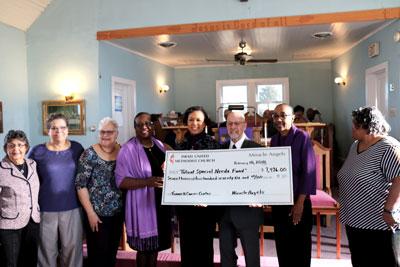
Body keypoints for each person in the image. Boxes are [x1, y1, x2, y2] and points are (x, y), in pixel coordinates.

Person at [337, 106, 400, 267]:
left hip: (378, 224)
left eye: (356, 125)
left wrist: (389, 210)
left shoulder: (388, 147)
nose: (352, 127)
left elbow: (399, 180)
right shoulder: (355, 145)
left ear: (370, 128)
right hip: (354, 221)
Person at [115, 112, 172, 267]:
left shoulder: (160, 146)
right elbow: (121, 181)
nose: (144, 127)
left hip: (160, 205)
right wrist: (147, 182)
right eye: (139, 124)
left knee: (154, 248)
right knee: (144, 249)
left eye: (147, 123)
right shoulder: (127, 150)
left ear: (153, 126)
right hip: (142, 206)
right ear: (135, 128)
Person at [28, 113, 84, 267]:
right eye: (54, 128)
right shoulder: (36, 151)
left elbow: (85, 175)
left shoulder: (77, 148)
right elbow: (26, 177)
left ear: (68, 130)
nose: (59, 131)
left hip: (72, 206)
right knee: (46, 251)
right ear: (48, 131)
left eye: (62, 127)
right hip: (45, 209)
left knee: (72, 250)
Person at [270, 104, 316, 267]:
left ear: (292, 117)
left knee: (300, 247)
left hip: (299, 201)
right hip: (280, 202)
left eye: (283, 115)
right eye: (275, 116)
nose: (279, 119)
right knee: (283, 247)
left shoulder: (302, 137)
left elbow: (309, 172)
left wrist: (300, 203)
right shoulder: (274, 140)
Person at [175, 106, 221, 267]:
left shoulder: (213, 144)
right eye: (191, 120)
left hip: (206, 206)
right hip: (185, 206)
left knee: (204, 246)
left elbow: (219, 176)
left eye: (198, 120)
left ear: (204, 123)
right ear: (186, 122)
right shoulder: (181, 145)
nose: (194, 123)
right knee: (187, 246)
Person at [75, 117, 124, 267]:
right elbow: (80, 185)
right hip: (96, 215)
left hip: (117, 213)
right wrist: (90, 213)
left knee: (111, 254)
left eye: (109, 132)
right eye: (102, 132)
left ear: (116, 134)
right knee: (97, 256)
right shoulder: (89, 154)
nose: (105, 135)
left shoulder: (121, 151)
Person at [219, 112, 264, 267]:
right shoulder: (220, 149)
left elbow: (264, 181)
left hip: (248, 211)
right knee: (226, 257)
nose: (233, 127)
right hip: (224, 212)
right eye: (230, 123)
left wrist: (261, 197)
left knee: (251, 258)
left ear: (245, 125)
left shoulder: (257, 149)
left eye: (237, 123)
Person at [0, 130, 40, 267]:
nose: (16, 149)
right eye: (11, 145)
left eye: (20, 145)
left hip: (32, 220)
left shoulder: (33, 165)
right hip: (9, 225)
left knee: (30, 260)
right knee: (11, 262)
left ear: (26, 147)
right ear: (6, 148)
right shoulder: (1, 169)